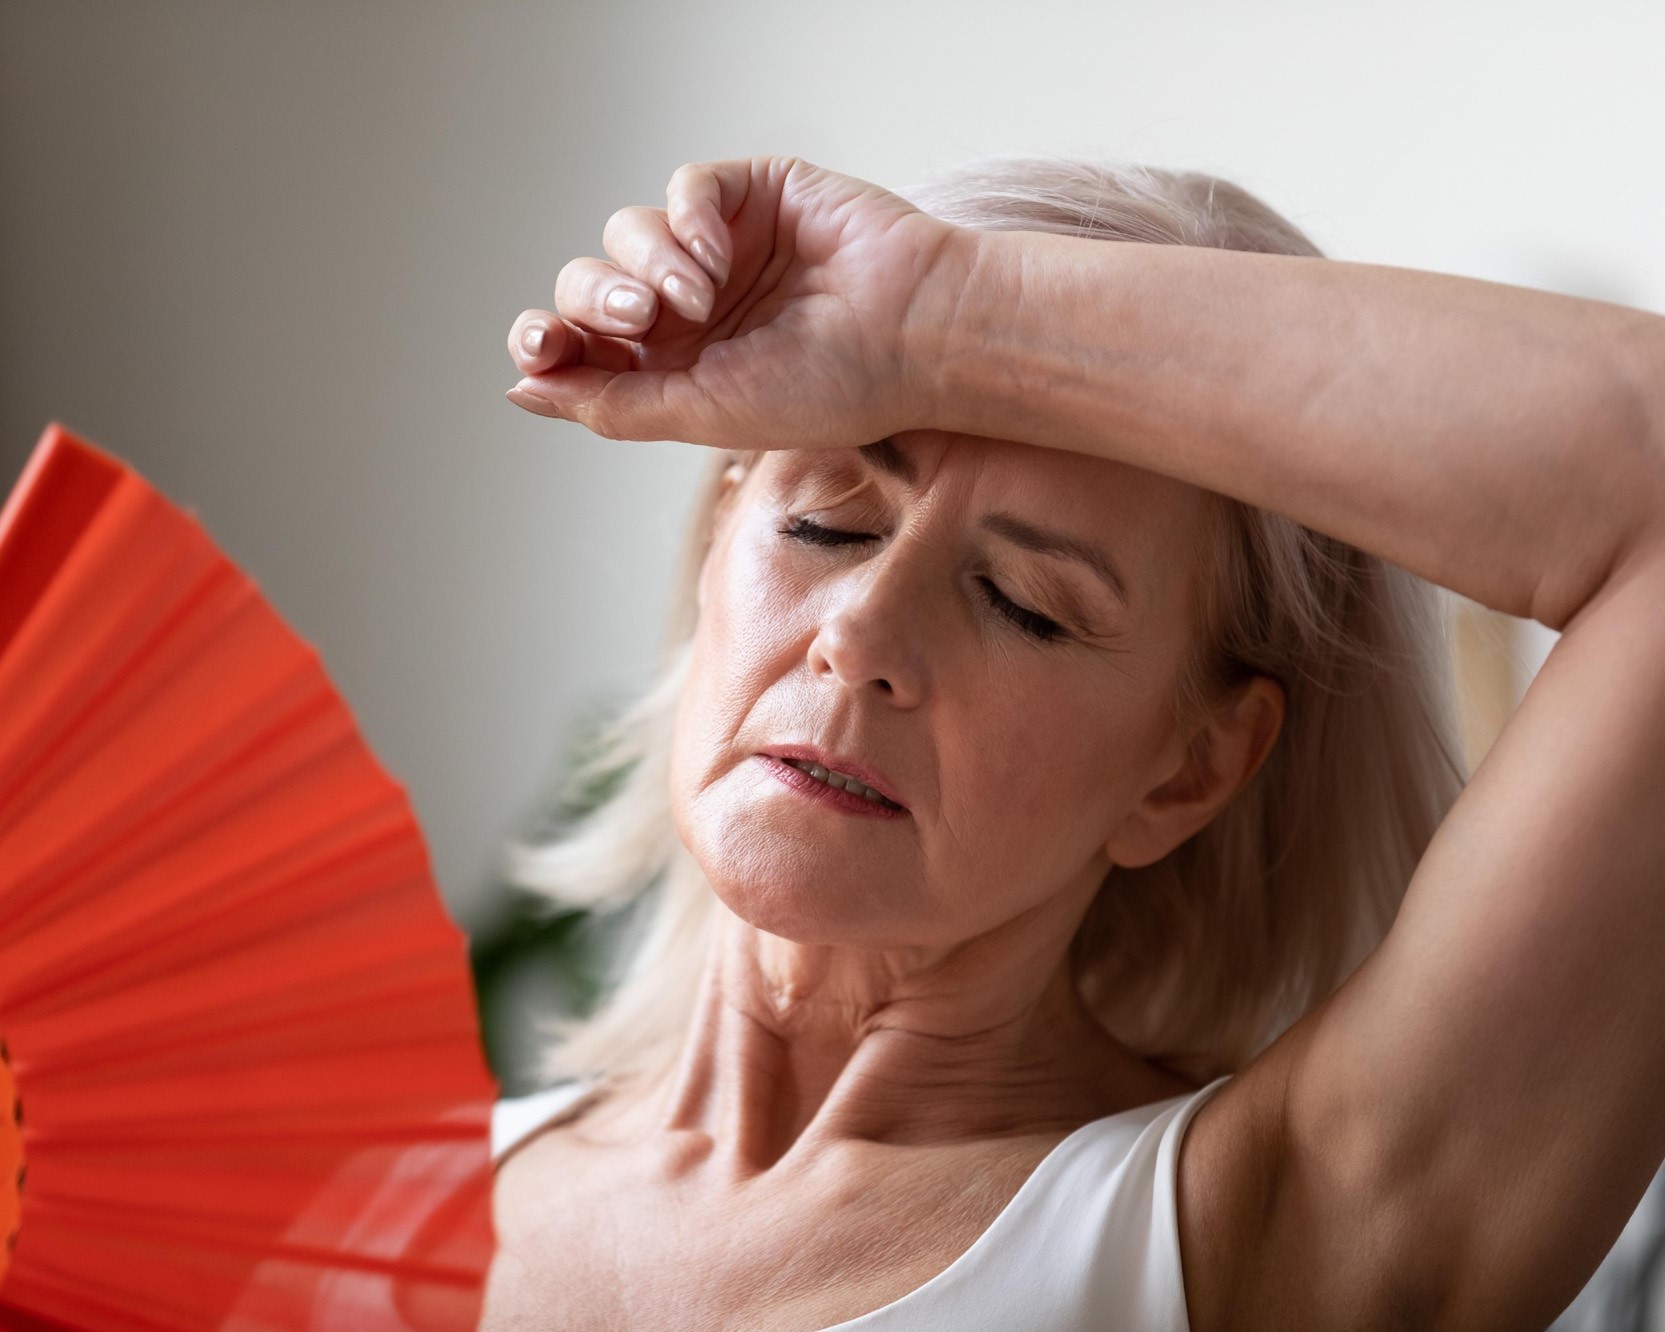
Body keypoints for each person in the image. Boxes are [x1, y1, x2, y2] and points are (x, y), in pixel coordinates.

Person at [487, 155, 1665, 1330]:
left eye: (1024, 604)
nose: (860, 633)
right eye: (824, 524)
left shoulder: (1260, 1242)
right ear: (715, 543)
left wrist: (940, 312)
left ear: (1189, 770)